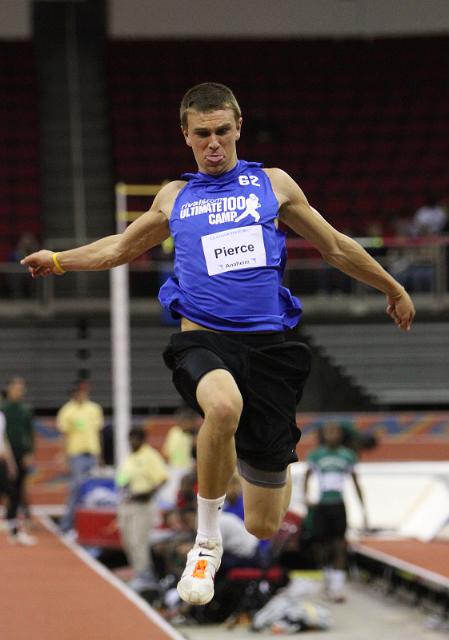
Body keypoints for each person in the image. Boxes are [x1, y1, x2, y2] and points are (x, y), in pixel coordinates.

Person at [21, 82, 415, 605]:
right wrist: (59, 259)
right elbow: (119, 247)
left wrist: (392, 286)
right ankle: (205, 544)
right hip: (203, 339)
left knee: (263, 524)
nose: (213, 143)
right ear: (185, 135)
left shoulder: (272, 185)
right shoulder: (175, 197)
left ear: (238, 129)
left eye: (222, 132)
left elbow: (337, 246)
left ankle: (273, 459)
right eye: (202, 133)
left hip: (269, 350)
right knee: (222, 406)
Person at [303, 422, 367, 602]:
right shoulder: (316, 455)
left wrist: (363, 509)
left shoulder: (348, 456)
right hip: (321, 504)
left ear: (341, 435)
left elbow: (356, 482)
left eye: (335, 431)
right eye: (329, 431)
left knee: (340, 545)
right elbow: (307, 476)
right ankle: (327, 580)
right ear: (323, 435)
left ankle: (337, 586)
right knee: (322, 545)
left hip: (338, 504)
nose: (332, 434)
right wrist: (306, 497)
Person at [116, 426, 168, 591]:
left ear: (143, 440)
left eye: (135, 439)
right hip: (127, 504)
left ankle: (145, 576)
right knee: (127, 541)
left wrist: (148, 493)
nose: (132, 442)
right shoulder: (130, 457)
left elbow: (162, 478)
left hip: (142, 505)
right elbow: (122, 479)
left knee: (139, 541)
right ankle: (138, 573)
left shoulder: (150, 456)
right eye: (130, 439)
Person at [56, 380, 104, 534]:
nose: (83, 394)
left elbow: (98, 433)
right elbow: (64, 435)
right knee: (76, 489)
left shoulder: (94, 409)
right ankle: (66, 526)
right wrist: (64, 456)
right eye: (81, 391)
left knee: (91, 492)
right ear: (75, 392)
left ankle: (85, 526)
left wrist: (100, 455)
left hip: (92, 454)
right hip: (76, 455)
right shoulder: (67, 411)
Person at [2, 377, 36, 545]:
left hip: (16, 454)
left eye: (20, 389)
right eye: (15, 389)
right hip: (5, 457)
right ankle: (13, 525)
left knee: (16, 491)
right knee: (9, 491)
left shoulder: (24, 411)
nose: (17, 392)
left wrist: (29, 452)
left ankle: (14, 526)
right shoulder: (3, 411)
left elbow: (30, 433)